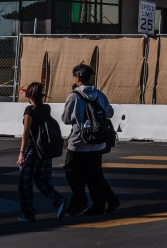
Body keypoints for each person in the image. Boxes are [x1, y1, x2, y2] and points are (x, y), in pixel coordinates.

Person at [62, 63, 120, 215]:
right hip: (97, 142)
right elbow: (110, 113)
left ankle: (80, 201)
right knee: (94, 174)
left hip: (78, 143)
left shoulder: (74, 96)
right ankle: (103, 202)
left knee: (72, 172)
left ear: (77, 77)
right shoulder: (100, 95)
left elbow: (67, 119)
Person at [17, 81, 67, 222]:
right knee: (42, 181)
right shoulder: (46, 108)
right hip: (45, 151)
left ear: (29, 96)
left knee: (25, 184)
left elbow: (26, 132)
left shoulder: (29, 111)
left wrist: (21, 152)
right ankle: (58, 200)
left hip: (33, 150)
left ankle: (28, 214)